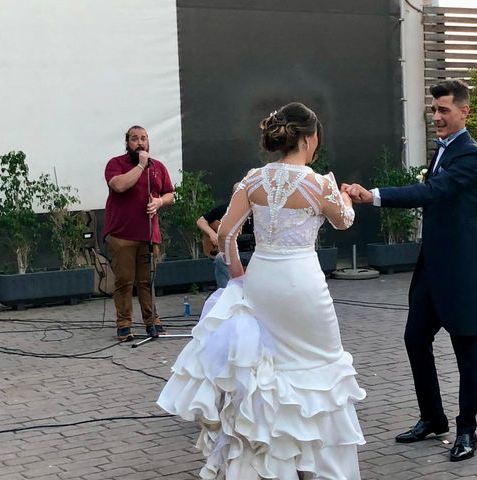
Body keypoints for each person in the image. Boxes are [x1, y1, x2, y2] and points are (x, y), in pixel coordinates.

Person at [158, 102, 365, 479]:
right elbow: (344, 222)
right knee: (320, 369)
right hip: (302, 282)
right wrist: (345, 196)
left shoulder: (253, 180)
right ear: (308, 138)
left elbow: (225, 234)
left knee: (267, 374)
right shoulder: (318, 184)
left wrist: (238, 275)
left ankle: (270, 463)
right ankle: (318, 465)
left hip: (262, 279)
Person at [342, 79, 477, 462]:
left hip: (462, 272)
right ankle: (433, 417)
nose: (436, 116)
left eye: (444, 110)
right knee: (414, 339)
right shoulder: (444, 151)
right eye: (434, 109)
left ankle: (467, 430)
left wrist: (373, 195)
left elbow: (433, 193)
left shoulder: (472, 155)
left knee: (466, 350)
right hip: (431, 268)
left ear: (464, 111)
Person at [103, 125, 175, 342]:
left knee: (146, 281)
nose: (140, 143)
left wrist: (159, 201)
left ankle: (152, 321)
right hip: (121, 235)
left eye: (144, 138)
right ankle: (124, 325)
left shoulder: (159, 167)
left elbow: (170, 193)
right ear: (127, 143)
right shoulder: (116, 164)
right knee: (125, 281)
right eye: (135, 139)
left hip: (148, 233)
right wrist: (142, 165)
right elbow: (120, 186)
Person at [196, 186, 255, 289]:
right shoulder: (225, 209)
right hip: (230, 252)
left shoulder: (256, 211)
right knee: (220, 259)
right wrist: (212, 234)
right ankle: (225, 293)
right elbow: (201, 221)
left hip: (252, 252)